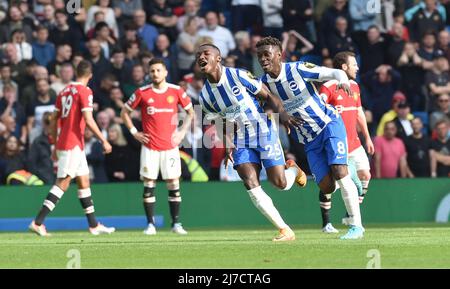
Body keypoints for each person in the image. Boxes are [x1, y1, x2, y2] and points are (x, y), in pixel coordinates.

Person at [256, 36, 364, 239]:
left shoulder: (297, 69)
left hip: (328, 123)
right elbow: (264, 108)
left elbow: (334, 72)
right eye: (259, 56)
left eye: (267, 55)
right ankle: (300, 169)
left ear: (279, 55)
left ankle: (356, 227)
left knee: (340, 172)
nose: (262, 59)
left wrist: (342, 81)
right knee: (327, 186)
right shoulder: (263, 84)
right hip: (308, 139)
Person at [196, 43, 306, 242]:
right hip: (240, 140)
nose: (201, 57)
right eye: (198, 56)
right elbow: (217, 121)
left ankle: (294, 170)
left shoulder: (238, 75)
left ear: (218, 58)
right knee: (250, 183)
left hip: (263, 130)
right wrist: (228, 142)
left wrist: (284, 116)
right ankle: (284, 230)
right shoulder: (204, 96)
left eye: (206, 53)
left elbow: (268, 95)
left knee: (279, 183)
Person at [29, 60, 115, 236]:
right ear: (90, 75)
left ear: (76, 73)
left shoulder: (63, 91)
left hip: (67, 142)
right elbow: (89, 119)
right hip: (72, 143)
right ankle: (38, 222)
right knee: (63, 182)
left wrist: (54, 143)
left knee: (83, 181)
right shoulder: (85, 91)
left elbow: (54, 119)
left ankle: (93, 225)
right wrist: (103, 140)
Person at [121, 58, 195, 235]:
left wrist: (182, 132)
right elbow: (124, 112)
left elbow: (191, 112)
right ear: (149, 73)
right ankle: (150, 225)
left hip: (170, 146)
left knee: (173, 183)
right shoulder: (142, 92)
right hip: (150, 147)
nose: (155, 74)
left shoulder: (176, 91)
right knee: (149, 183)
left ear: (165, 72)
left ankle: (176, 224)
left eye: (158, 70)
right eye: (152, 71)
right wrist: (134, 132)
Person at [319, 51, 374, 233]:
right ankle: (326, 223)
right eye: (354, 64)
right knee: (331, 185)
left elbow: (359, 113)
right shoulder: (328, 86)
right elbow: (319, 111)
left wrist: (367, 137)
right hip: (337, 144)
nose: (357, 67)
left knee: (365, 175)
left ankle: (350, 215)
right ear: (343, 67)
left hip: (355, 142)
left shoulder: (355, 86)